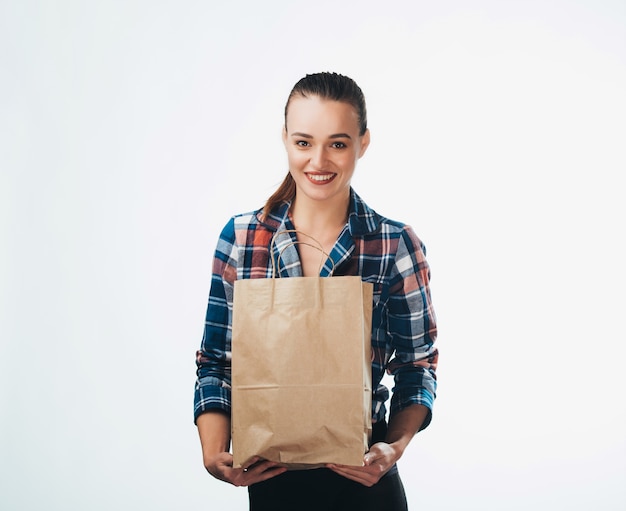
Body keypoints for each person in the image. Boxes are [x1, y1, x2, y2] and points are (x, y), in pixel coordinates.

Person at [194, 72, 438, 511]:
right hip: (272, 484)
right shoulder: (243, 237)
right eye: (304, 142)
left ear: (363, 144)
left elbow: (417, 365)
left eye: (338, 144)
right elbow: (215, 362)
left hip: (366, 483)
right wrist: (214, 453)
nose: (319, 161)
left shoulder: (393, 243)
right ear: (285, 139)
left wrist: (395, 447)